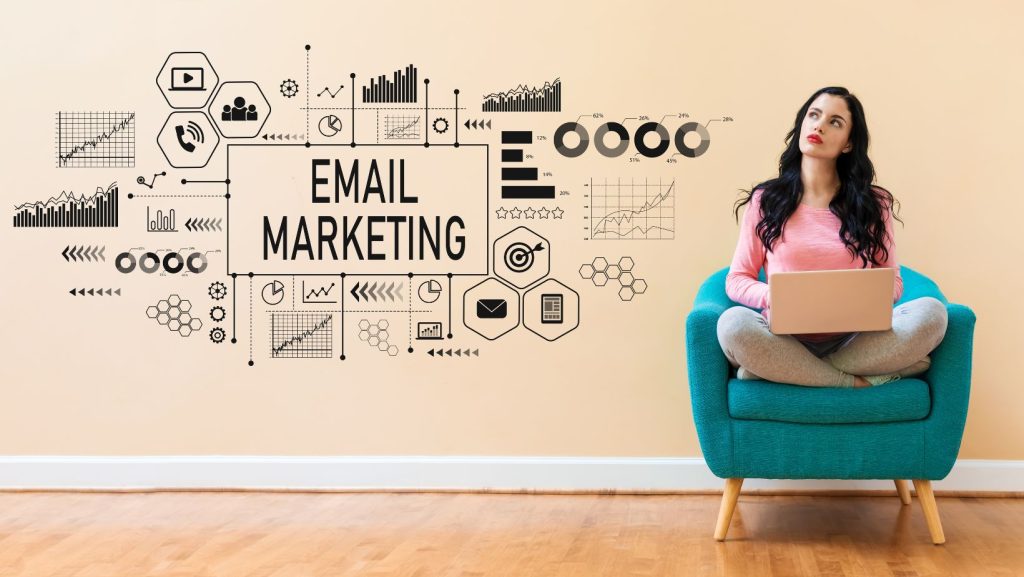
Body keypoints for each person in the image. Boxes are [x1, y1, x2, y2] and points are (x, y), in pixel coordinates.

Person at [717, 86, 948, 389]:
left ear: (849, 143)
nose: (819, 125)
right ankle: (851, 381)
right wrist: (775, 297)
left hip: (854, 340)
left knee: (933, 313)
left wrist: (860, 299)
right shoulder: (765, 200)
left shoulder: (874, 204)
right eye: (813, 115)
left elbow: (892, 281)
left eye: (835, 122)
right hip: (782, 339)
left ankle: (786, 373)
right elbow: (737, 279)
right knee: (733, 325)